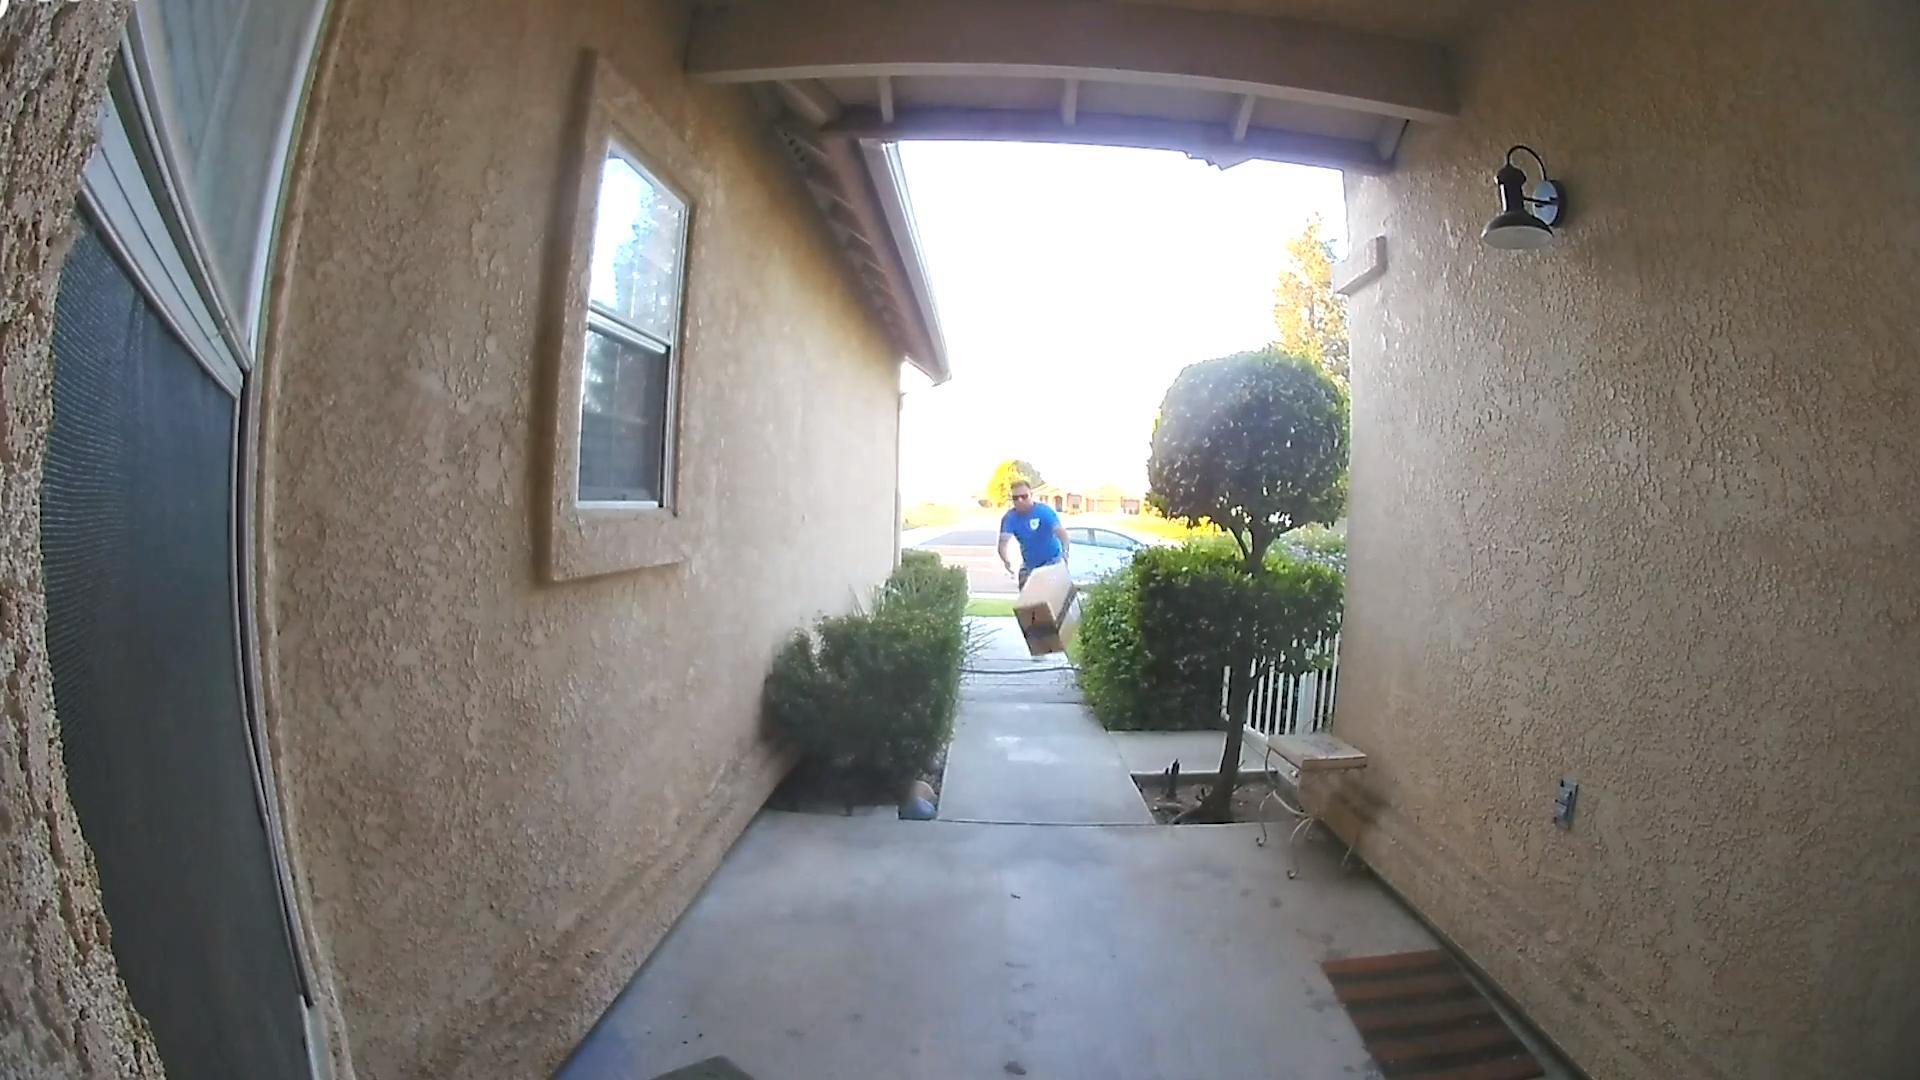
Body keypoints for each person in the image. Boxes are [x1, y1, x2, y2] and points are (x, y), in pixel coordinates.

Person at [997, 481, 1070, 588]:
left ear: (1031, 495)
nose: (1020, 500)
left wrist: (1065, 553)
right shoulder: (1009, 518)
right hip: (1029, 566)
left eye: (1024, 496)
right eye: (1015, 498)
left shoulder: (1044, 512)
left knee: (1051, 597)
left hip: (1052, 562)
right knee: (1027, 598)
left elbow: (1062, 534)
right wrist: (1006, 560)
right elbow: (1003, 544)